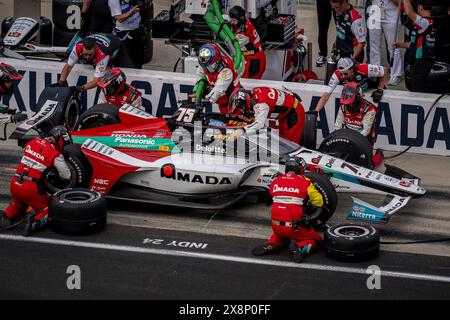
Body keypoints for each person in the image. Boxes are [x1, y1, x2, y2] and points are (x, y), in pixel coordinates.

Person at [0, 126, 73, 236]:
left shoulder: (32, 141)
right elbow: (67, 176)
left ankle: (5, 215)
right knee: (50, 207)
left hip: (15, 183)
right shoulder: (56, 153)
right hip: (30, 188)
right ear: (61, 139)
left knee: (19, 204)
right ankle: (34, 222)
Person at [252, 158, 324, 263]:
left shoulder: (276, 180)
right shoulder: (305, 182)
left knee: (281, 236)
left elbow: (272, 196)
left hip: (276, 224)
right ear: (300, 169)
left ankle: (271, 244)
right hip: (295, 226)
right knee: (317, 240)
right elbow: (319, 202)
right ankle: (300, 247)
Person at [55, 33, 133, 93]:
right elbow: (68, 66)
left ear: (95, 49)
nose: (87, 57)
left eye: (90, 55)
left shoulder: (102, 54)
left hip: (116, 49)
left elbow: (97, 81)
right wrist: (61, 82)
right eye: (85, 54)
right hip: (101, 39)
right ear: (82, 48)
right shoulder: (78, 47)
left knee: (129, 70)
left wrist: (81, 88)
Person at [228, 87, 305, 144]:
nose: (241, 110)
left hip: (294, 112)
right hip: (285, 113)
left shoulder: (260, 104)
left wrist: (242, 131)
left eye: (241, 107)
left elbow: (260, 124)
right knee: (282, 140)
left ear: (246, 101)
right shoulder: (253, 93)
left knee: (288, 144)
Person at [334, 81, 384, 166]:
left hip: (364, 138)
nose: (349, 107)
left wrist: (351, 142)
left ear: (358, 99)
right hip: (348, 135)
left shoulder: (370, 109)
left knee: (367, 165)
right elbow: (337, 126)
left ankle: (379, 154)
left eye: (351, 104)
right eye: (347, 104)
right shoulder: (343, 106)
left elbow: (366, 131)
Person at [315, 57, 388, 113]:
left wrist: (380, 89)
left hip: (375, 90)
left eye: (345, 74)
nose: (343, 76)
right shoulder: (337, 74)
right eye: (341, 73)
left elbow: (384, 70)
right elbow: (326, 95)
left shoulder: (364, 68)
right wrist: (316, 112)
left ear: (352, 70)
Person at [393, 0, 435, 92]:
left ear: (420, 7)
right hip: (419, 64)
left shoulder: (424, 22)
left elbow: (409, 12)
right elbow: (413, 44)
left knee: (417, 93)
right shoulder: (428, 22)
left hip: (421, 64)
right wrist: (399, 45)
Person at [194, 43, 241, 114]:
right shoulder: (204, 64)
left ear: (217, 60)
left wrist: (207, 100)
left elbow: (219, 89)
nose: (207, 69)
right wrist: (197, 94)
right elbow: (199, 79)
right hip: (222, 103)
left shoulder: (226, 69)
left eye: (210, 66)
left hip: (235, 103)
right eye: (205, 67)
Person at [367, 0, 402, 86]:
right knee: (374, 45)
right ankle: (375, 72)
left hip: (391, 12)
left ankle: (395, 74)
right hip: (375, 10)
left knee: (393, 45)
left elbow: (401, 2)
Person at [228, 5, 266, 79]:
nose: (232, 22)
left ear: (240, 19)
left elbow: (231, 45)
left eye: (234, 20)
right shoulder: (244, 21)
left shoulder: (244, 32)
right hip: (250, 57)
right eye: (231, 20)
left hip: (254, 61)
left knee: (246, 85)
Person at [108, 0, 147, 69]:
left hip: (137, 30)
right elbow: (119, 18)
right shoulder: (113, 1)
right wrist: (132, 12)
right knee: (127, 63)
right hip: (124, 34)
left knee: (138, 61)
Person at [316, 0, 333, 66]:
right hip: (323, 2)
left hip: (340, 2)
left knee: (342, 24)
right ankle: (323, 54)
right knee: (322, 28)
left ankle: (345, 53)